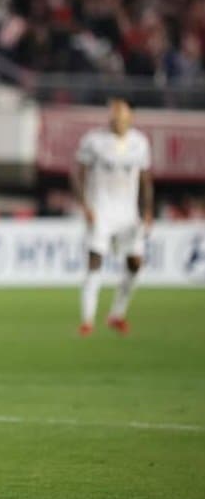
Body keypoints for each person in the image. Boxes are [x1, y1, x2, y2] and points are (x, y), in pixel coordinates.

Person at [71, 96, 154, 336]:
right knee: (95, 259)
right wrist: (85, 205)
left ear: (130, 119)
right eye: (114, 117)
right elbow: (77, 174)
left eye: (122, 118)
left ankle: (116, 314)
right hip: (101, 210)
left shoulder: (140, 143)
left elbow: (145, 180)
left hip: (128, 214)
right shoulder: (94, 141)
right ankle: (87, 320)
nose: (118, 122)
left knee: (135, 262)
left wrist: (147, 210)